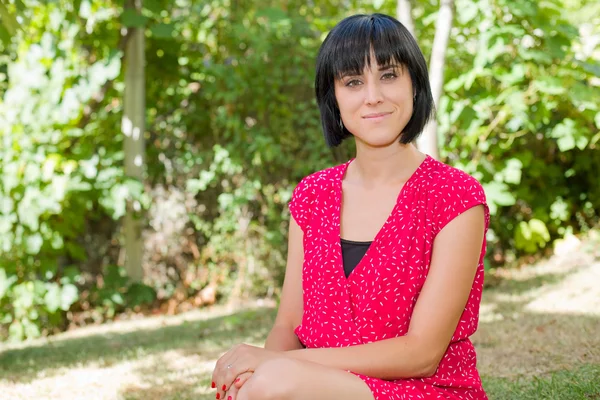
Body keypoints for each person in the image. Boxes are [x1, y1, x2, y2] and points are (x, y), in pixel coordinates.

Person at [211, 13, 489, 400]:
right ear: (334, 98)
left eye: (389, 75)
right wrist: (254, 376)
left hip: (426, 391)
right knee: (254, 386)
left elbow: (423, 353)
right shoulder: (312, 195)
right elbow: (289, 324)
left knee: (273, 380)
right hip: (318, 387)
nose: (373, 95)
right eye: (353, 82)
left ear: (415, 85)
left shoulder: (454, 196)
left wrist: (276, 368)